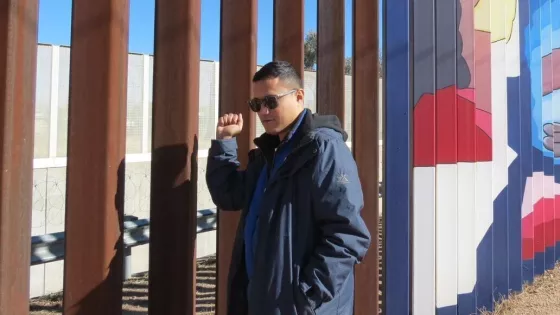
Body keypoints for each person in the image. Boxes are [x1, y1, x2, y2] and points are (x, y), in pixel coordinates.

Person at [206, 60, 371, 315]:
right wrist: (225, 142)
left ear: (299, 97)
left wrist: (306, 294)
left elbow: (348, 234)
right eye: (256, 104)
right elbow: (229, 195)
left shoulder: (324, 149)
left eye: (271, 101)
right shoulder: (267, 155)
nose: (263, 111)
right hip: (264, 300)